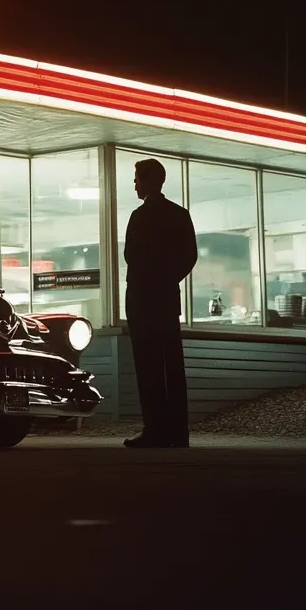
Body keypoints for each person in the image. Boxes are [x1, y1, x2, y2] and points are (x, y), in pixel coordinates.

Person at [123, 158, 198, 449]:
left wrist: (148, 282)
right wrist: (168, 279)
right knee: (172, 365)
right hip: (167, 299)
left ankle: (154, 429)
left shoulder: (139, 217)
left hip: (142, 299)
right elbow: (189, 255)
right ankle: (178, 432)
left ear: (144, 181)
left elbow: (131, 256)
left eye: (136, 179)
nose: (134, 185)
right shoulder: (179, 215)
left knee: (148, 365)